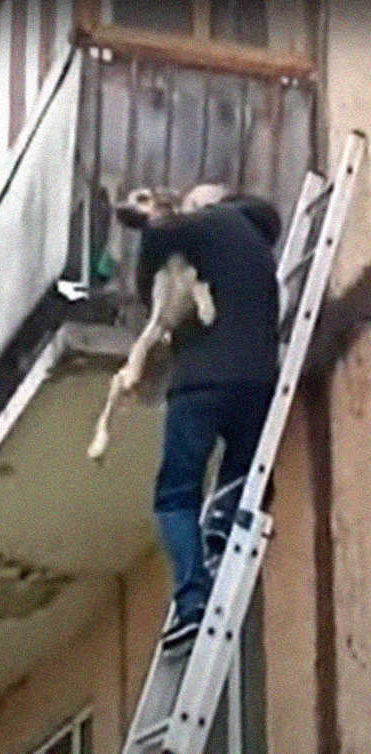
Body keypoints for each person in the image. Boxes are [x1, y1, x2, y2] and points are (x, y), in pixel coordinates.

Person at [136, 193, 281, 648]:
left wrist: (150, 287)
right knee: (248, 474)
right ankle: (220, 525)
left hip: (199, 385)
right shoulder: (261, 255)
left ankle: (193, 604)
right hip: (257, 384)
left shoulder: (209, 224)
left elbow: (157, 230)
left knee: (176, 494)